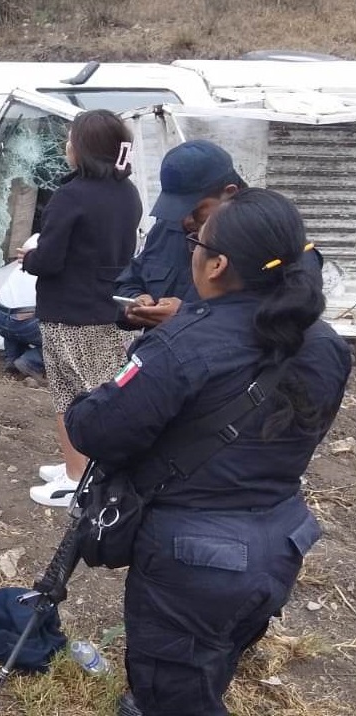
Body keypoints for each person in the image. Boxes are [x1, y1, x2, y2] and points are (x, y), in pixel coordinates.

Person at [64, 189, 351, 716]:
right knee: (210, 663)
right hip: (279, 546)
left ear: (216, 264)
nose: (191, 250)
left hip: (195, 561)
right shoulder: (326, 343)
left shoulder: (183, 345)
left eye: (196, 242)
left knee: (173, 694)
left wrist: (97, 393)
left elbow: (97, 431)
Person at [19, 109, 141, 506]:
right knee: (100, 391)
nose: (67, 145)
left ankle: (77, 479)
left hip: (67, 308)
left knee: (71, 394)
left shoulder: (72, 194)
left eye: (71, 139)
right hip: (105, 306)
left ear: (84, 148)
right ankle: (78, 464)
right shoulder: (128, 192)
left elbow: (50, 259)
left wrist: (29, 257)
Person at [114, 140, 246, 329]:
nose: (185, 220)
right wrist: (136, 303)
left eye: (195, 209)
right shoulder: (166, 228)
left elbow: (262, 315)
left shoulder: (258, 240)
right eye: (176, 209)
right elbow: (129, 281)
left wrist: (186, 317)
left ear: (229, 193)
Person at [0, 264, 44, 381]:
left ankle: (12, 358)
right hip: (23, 322)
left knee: (15, 319)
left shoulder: (25, 262)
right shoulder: (58, 267)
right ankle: (31, 361)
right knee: (67, 335)